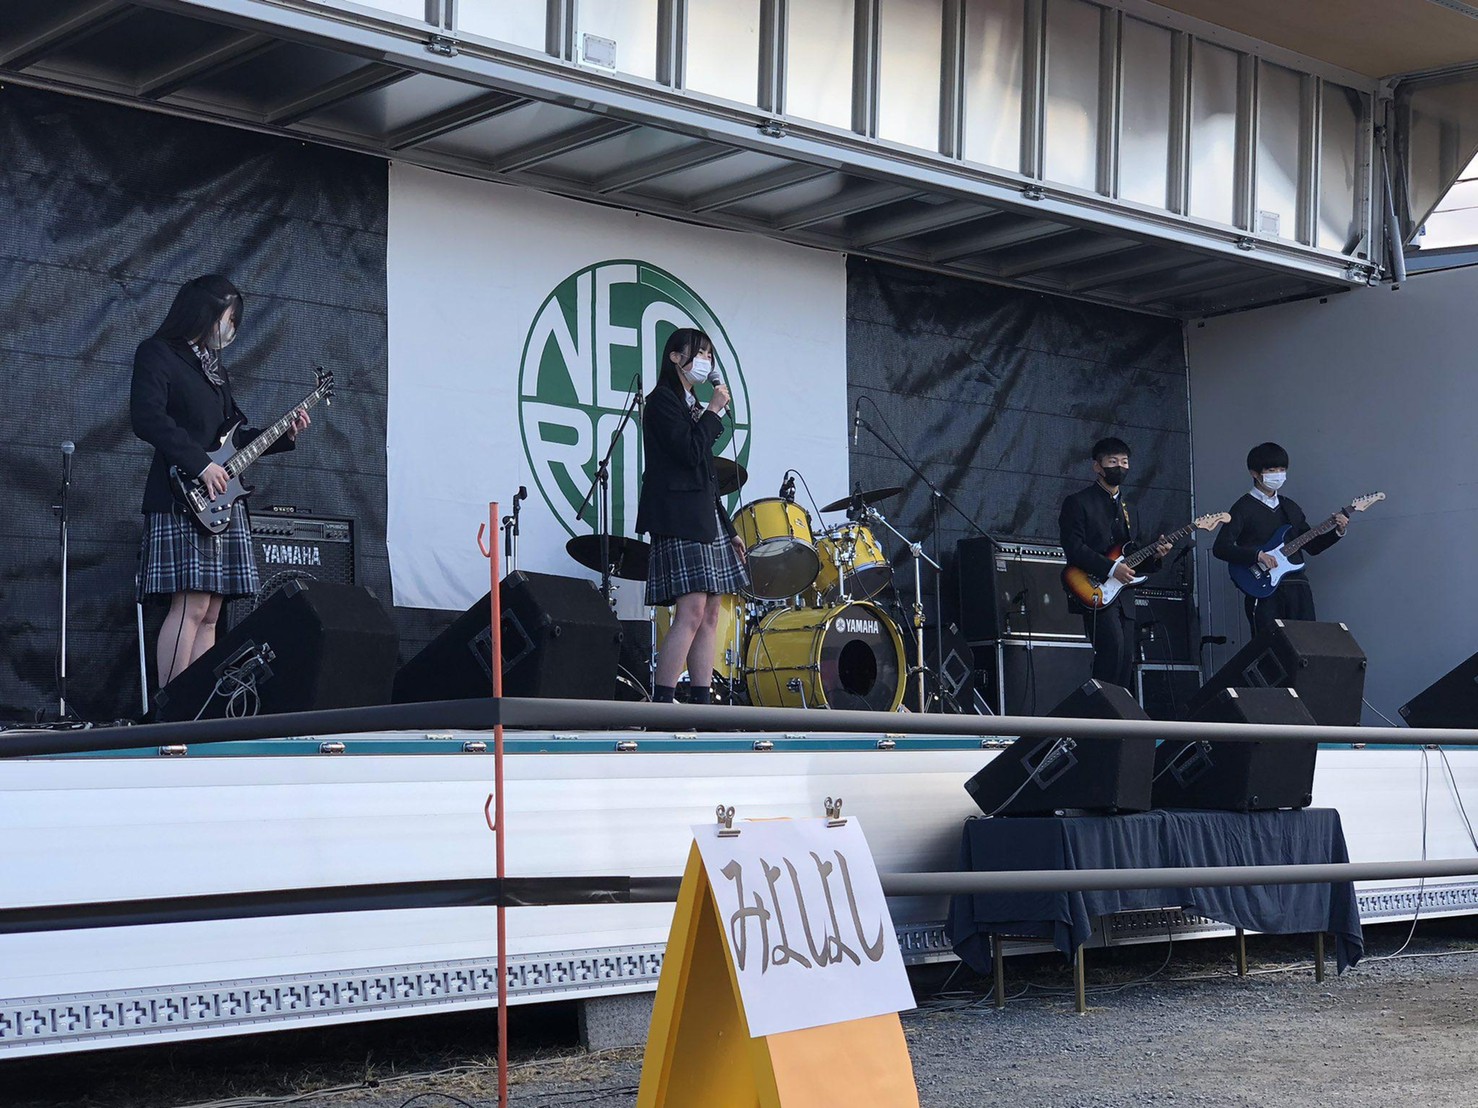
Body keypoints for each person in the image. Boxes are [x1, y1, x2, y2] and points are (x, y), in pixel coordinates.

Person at [131, 275, 311, 688]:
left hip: (221, 501)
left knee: (211, 611)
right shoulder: (157, 354)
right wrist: (200, 465)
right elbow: (147, 417)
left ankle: (196, 704)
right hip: (182, 495)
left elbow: (233, 439)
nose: (230, 329)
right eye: (229, 319)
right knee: (191, 605)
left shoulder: (215, 370)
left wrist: (284, 435)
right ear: (205, 312)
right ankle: (171, 707)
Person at [634, 328, 749, 704]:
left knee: (711, 613)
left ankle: (703, 704)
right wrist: (713, 411)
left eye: (709, 355)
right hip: (679, 515)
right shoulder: (661, 402)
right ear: (674, 357)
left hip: (705, 516)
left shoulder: (691, 405)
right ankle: (663, 703)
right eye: (699, 354)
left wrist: (729, 529)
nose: (706, 361)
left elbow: (706, 475)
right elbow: (688, 452)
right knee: (692, 610)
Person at [1058, 437, 1171, 690]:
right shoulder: (1078, 502)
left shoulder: (1131, 508)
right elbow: (1074, 548)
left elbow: (1134, 553)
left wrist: (1156, 556)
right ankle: (1099, 709)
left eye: (1124, 462)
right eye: (1113, 461)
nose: (1120, 467)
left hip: (1124, 595)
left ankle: (1116, 710)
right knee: (1111, 651)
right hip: (1093, 587)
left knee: (1126, 658)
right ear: (1097, 466)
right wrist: (1110, 568)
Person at [1212, 441, 1346, 636]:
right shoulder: (1243, 508)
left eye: (1282, 469)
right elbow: (1221, 547)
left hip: (1298, 585)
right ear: (1254, 473)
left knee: (1306, 641)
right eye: (1271, 470)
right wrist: (1257, 555)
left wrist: (1337, 531)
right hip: (1263, 587)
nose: (1278, 475)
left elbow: (1312, 546)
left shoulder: (1290, 507)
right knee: (1270, 644)